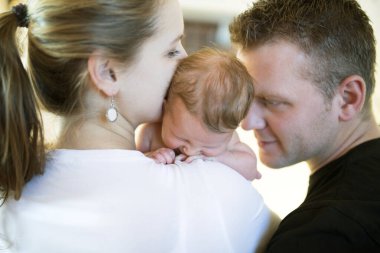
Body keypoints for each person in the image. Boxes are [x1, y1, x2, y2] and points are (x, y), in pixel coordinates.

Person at [0, 1, 279, 252]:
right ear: (107, 73)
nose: (185, 59)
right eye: (171, 50)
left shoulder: (9, 203)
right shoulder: (213, 191)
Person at [229, 0, 380, 252]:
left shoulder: (320, 234)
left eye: (272, 101)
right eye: (246, 98)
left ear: (348, 98)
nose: (246, 122)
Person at [136, 47, 262, 181]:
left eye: (208, 146)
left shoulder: (230, 143)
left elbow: (251, 170)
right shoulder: (150, 133)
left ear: (230, 133)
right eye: (182, 138)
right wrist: (149, 158)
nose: (191, 152)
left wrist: (217, 158)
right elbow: (132, 167)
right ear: (165, 108)